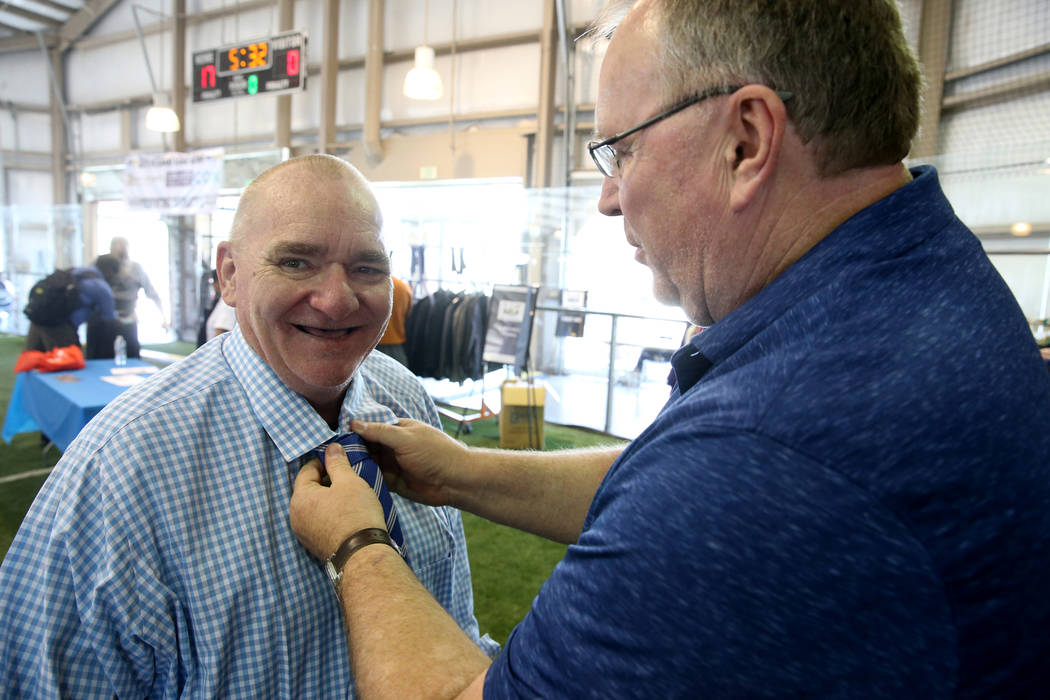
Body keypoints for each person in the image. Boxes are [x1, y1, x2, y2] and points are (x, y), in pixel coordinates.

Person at [288, 1, 1050, 697]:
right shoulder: (913, 283)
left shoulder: (767, 450)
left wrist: (357, 543)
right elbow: (666, 480)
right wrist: (464, 472)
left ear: (747, 140)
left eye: (622, 150)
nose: (609, 195)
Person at [0, 154, 497, 696]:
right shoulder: (122, 467)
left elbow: (454, 614)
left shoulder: (404, 398)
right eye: (296, 263)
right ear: (230, 275)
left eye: (367, 268)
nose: (337, 299)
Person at [24, 255, 120, 354]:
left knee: (33, 361)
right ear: (109, 270)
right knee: (68, 364)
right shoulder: (101, 287)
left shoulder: (76, 271)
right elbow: (109, 319)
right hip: (60, 327)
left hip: (37, 319)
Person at [107, 235, 167, 358]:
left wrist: (164, 318)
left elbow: (152, 294)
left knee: (131, 355)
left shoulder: (135, 268)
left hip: (128, 319)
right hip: (107, 321)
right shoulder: (103, 266)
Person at [375, 275, 412, 366]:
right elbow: (408, 314)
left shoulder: (368, 285)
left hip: (369, 345)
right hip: (396, 348)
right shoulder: (403, 287)